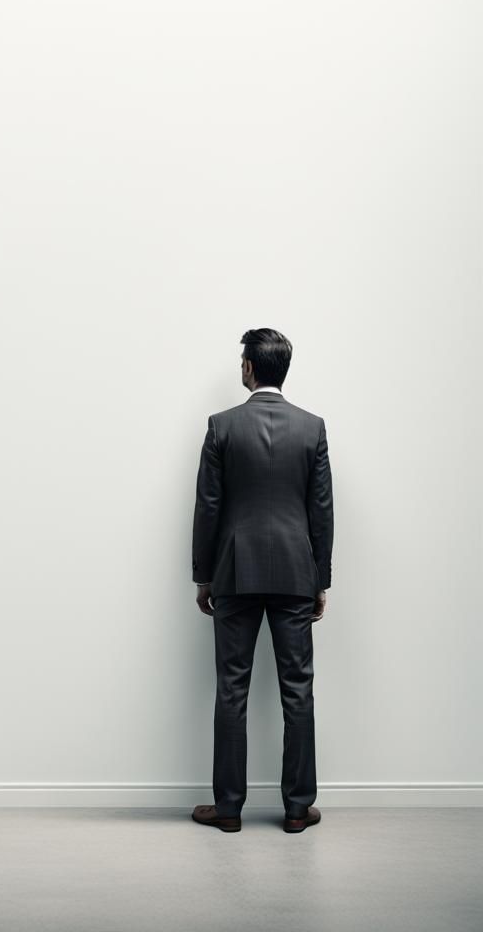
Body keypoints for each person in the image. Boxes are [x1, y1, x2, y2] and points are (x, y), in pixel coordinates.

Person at [189, 328, 333, 834]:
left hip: (234, 572)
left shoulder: (221, 426)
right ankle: (298, 809)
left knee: (232, 689)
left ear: (249, 368)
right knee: (299, 690)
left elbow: (209, 506)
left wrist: (203, 576)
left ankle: (228, 809)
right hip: (296, 572)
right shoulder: (311, 428)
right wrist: (321, 579)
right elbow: (321, 511)